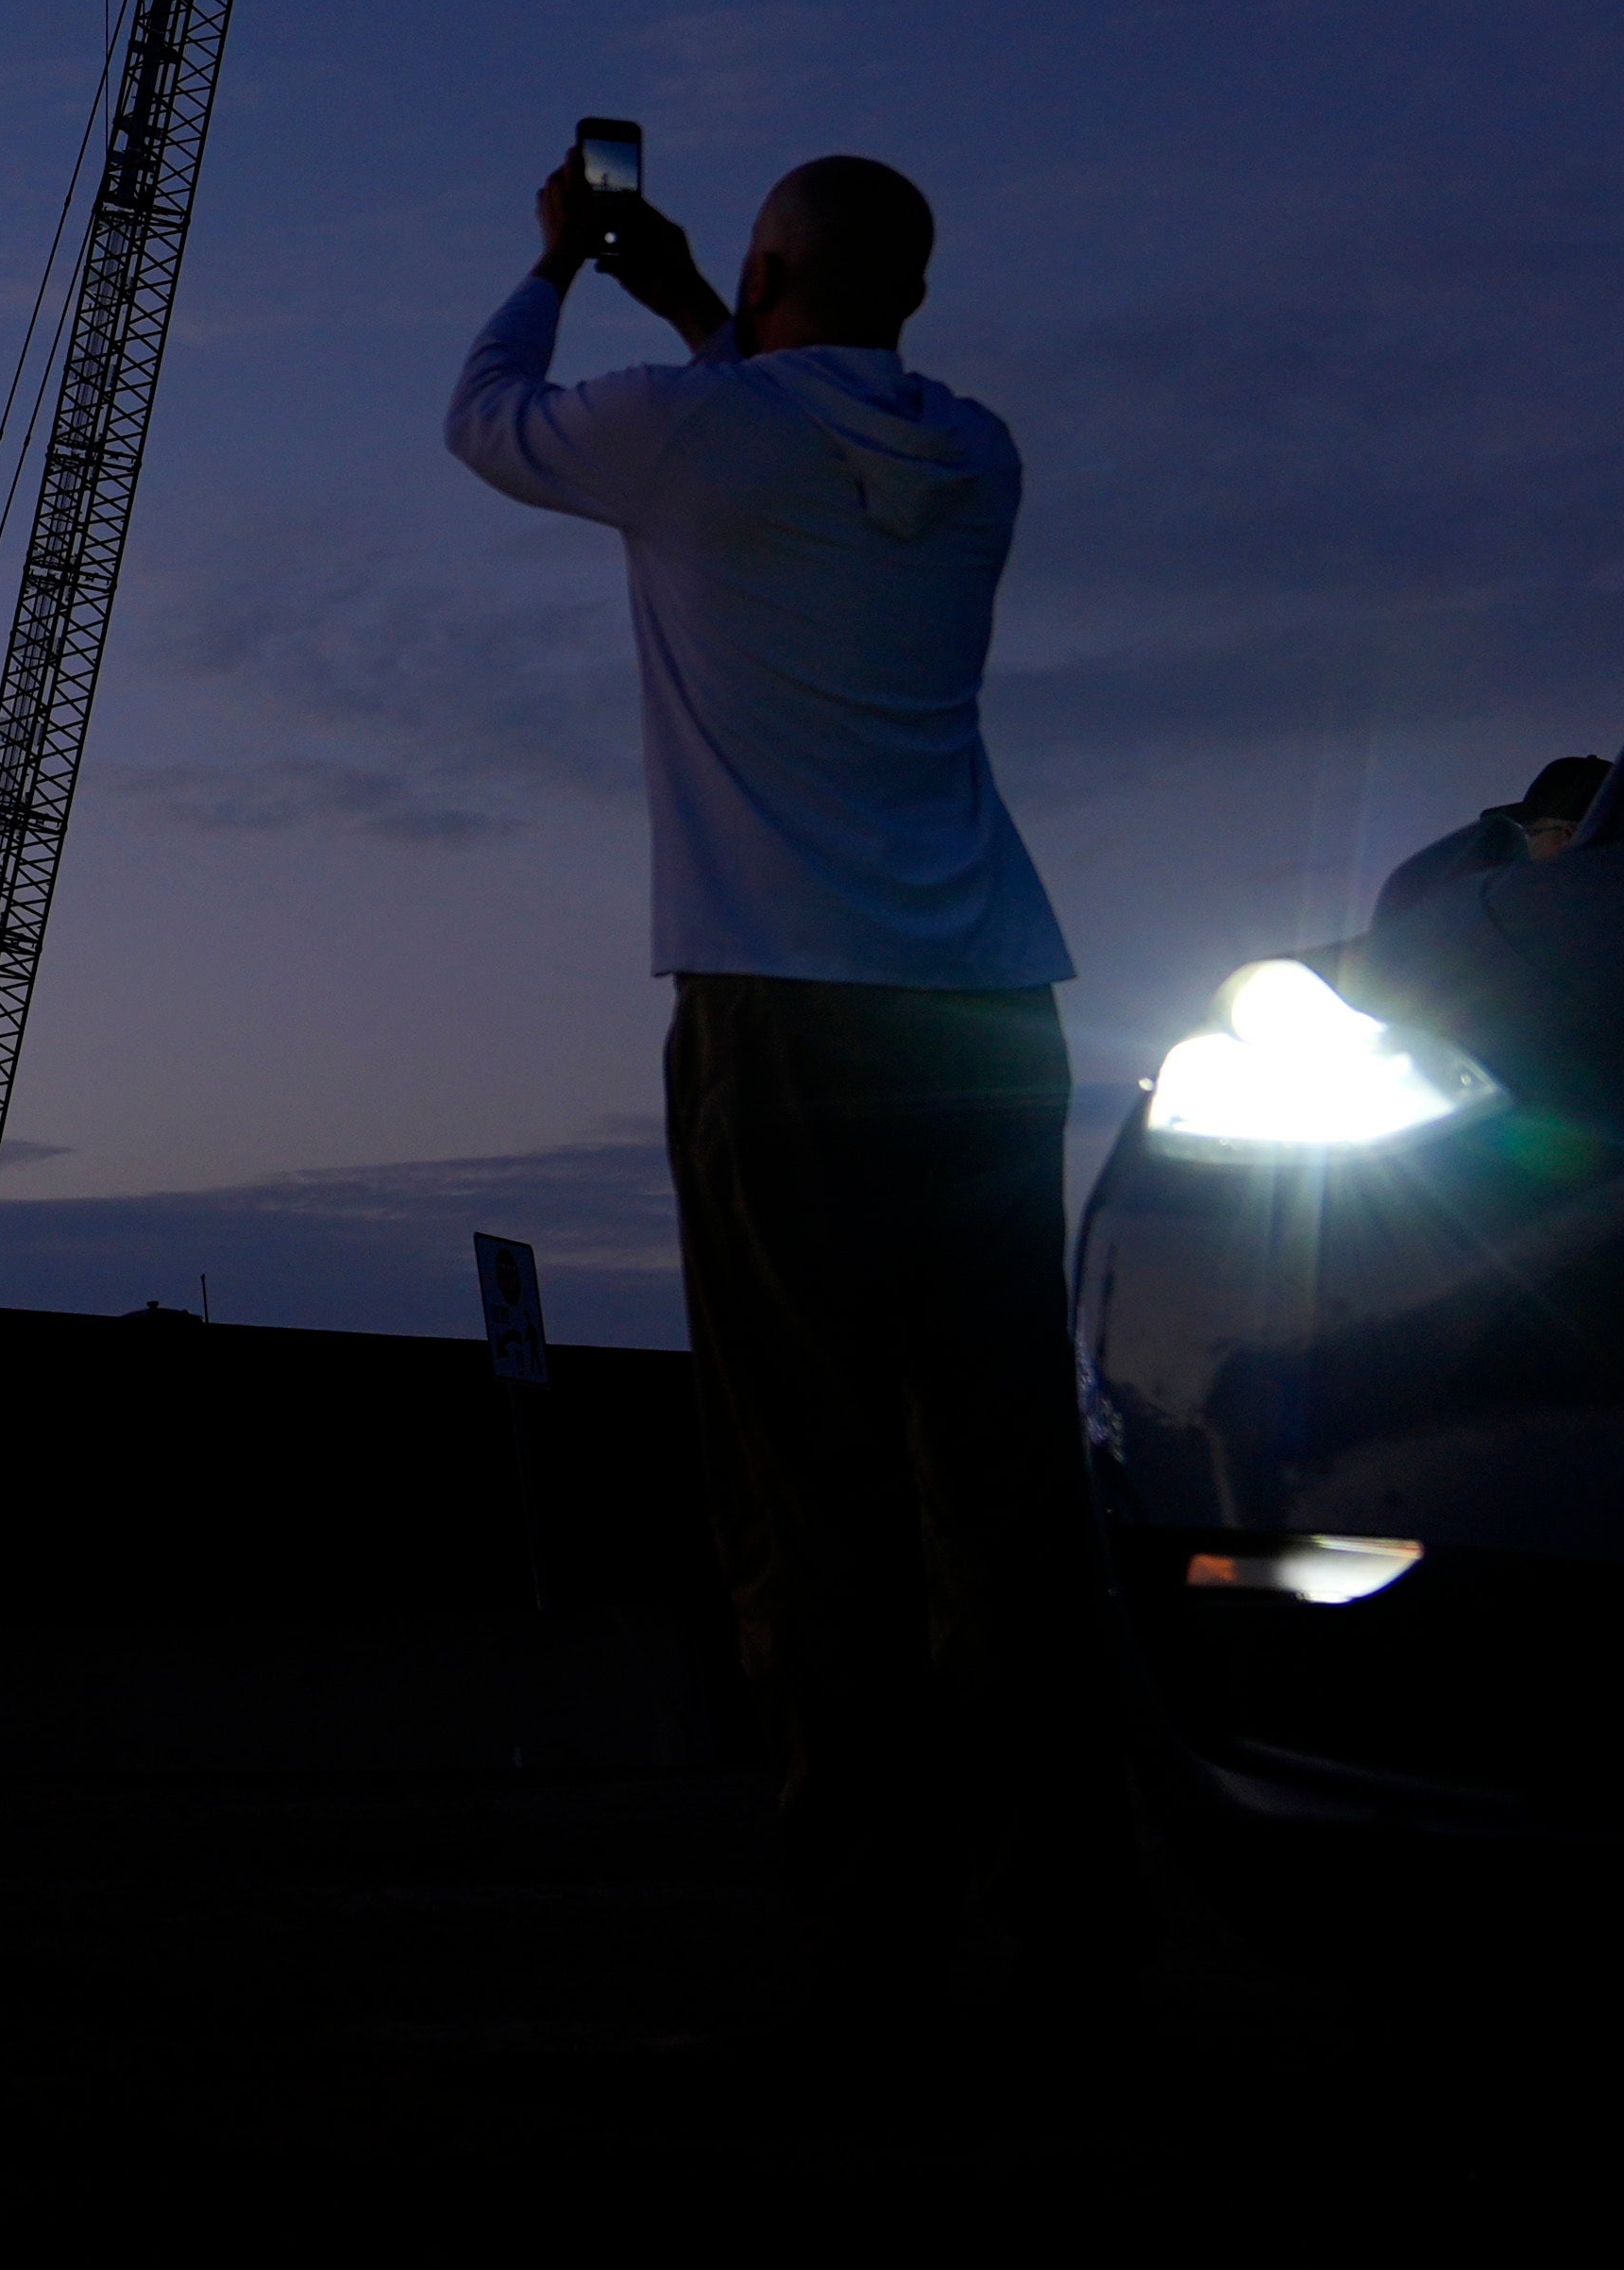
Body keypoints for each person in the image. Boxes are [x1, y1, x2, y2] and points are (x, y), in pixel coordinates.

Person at [443, 146, 1118, 1998]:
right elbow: (790, 398)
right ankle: (1064, 1895)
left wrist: (564, 266)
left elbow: (485, 416)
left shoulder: (686, 431)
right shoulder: (973, 456)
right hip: (987, 1003)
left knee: (803, 1478)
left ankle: (869, 1918)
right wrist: (690, 293)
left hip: (781, 1011)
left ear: (764, 266)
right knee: (1005, 1472)